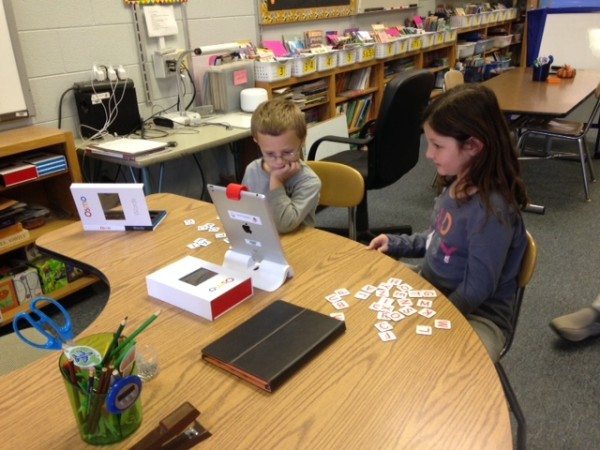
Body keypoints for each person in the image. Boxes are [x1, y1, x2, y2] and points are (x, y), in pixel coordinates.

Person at [368, 84, 529, 362]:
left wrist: (433, 318)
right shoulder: (455, 184)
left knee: (430, 364)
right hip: (434, 289)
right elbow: (437, 240)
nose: (428, 154)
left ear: (474, 146)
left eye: (438, 145)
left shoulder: (492, 212)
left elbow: (477, 288)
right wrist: (397, 243)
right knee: (371, 304)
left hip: (478, 316)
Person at [242, 98, 321, 234]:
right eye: (270, 153)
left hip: (297, 243)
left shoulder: (309, 181)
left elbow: (284, 225)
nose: (279, 161)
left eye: (287, 152)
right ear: (257, 141)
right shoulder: (252, 170)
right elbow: (245, 210)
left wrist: (276, 181)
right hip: (263, 237)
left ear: (302, 141)